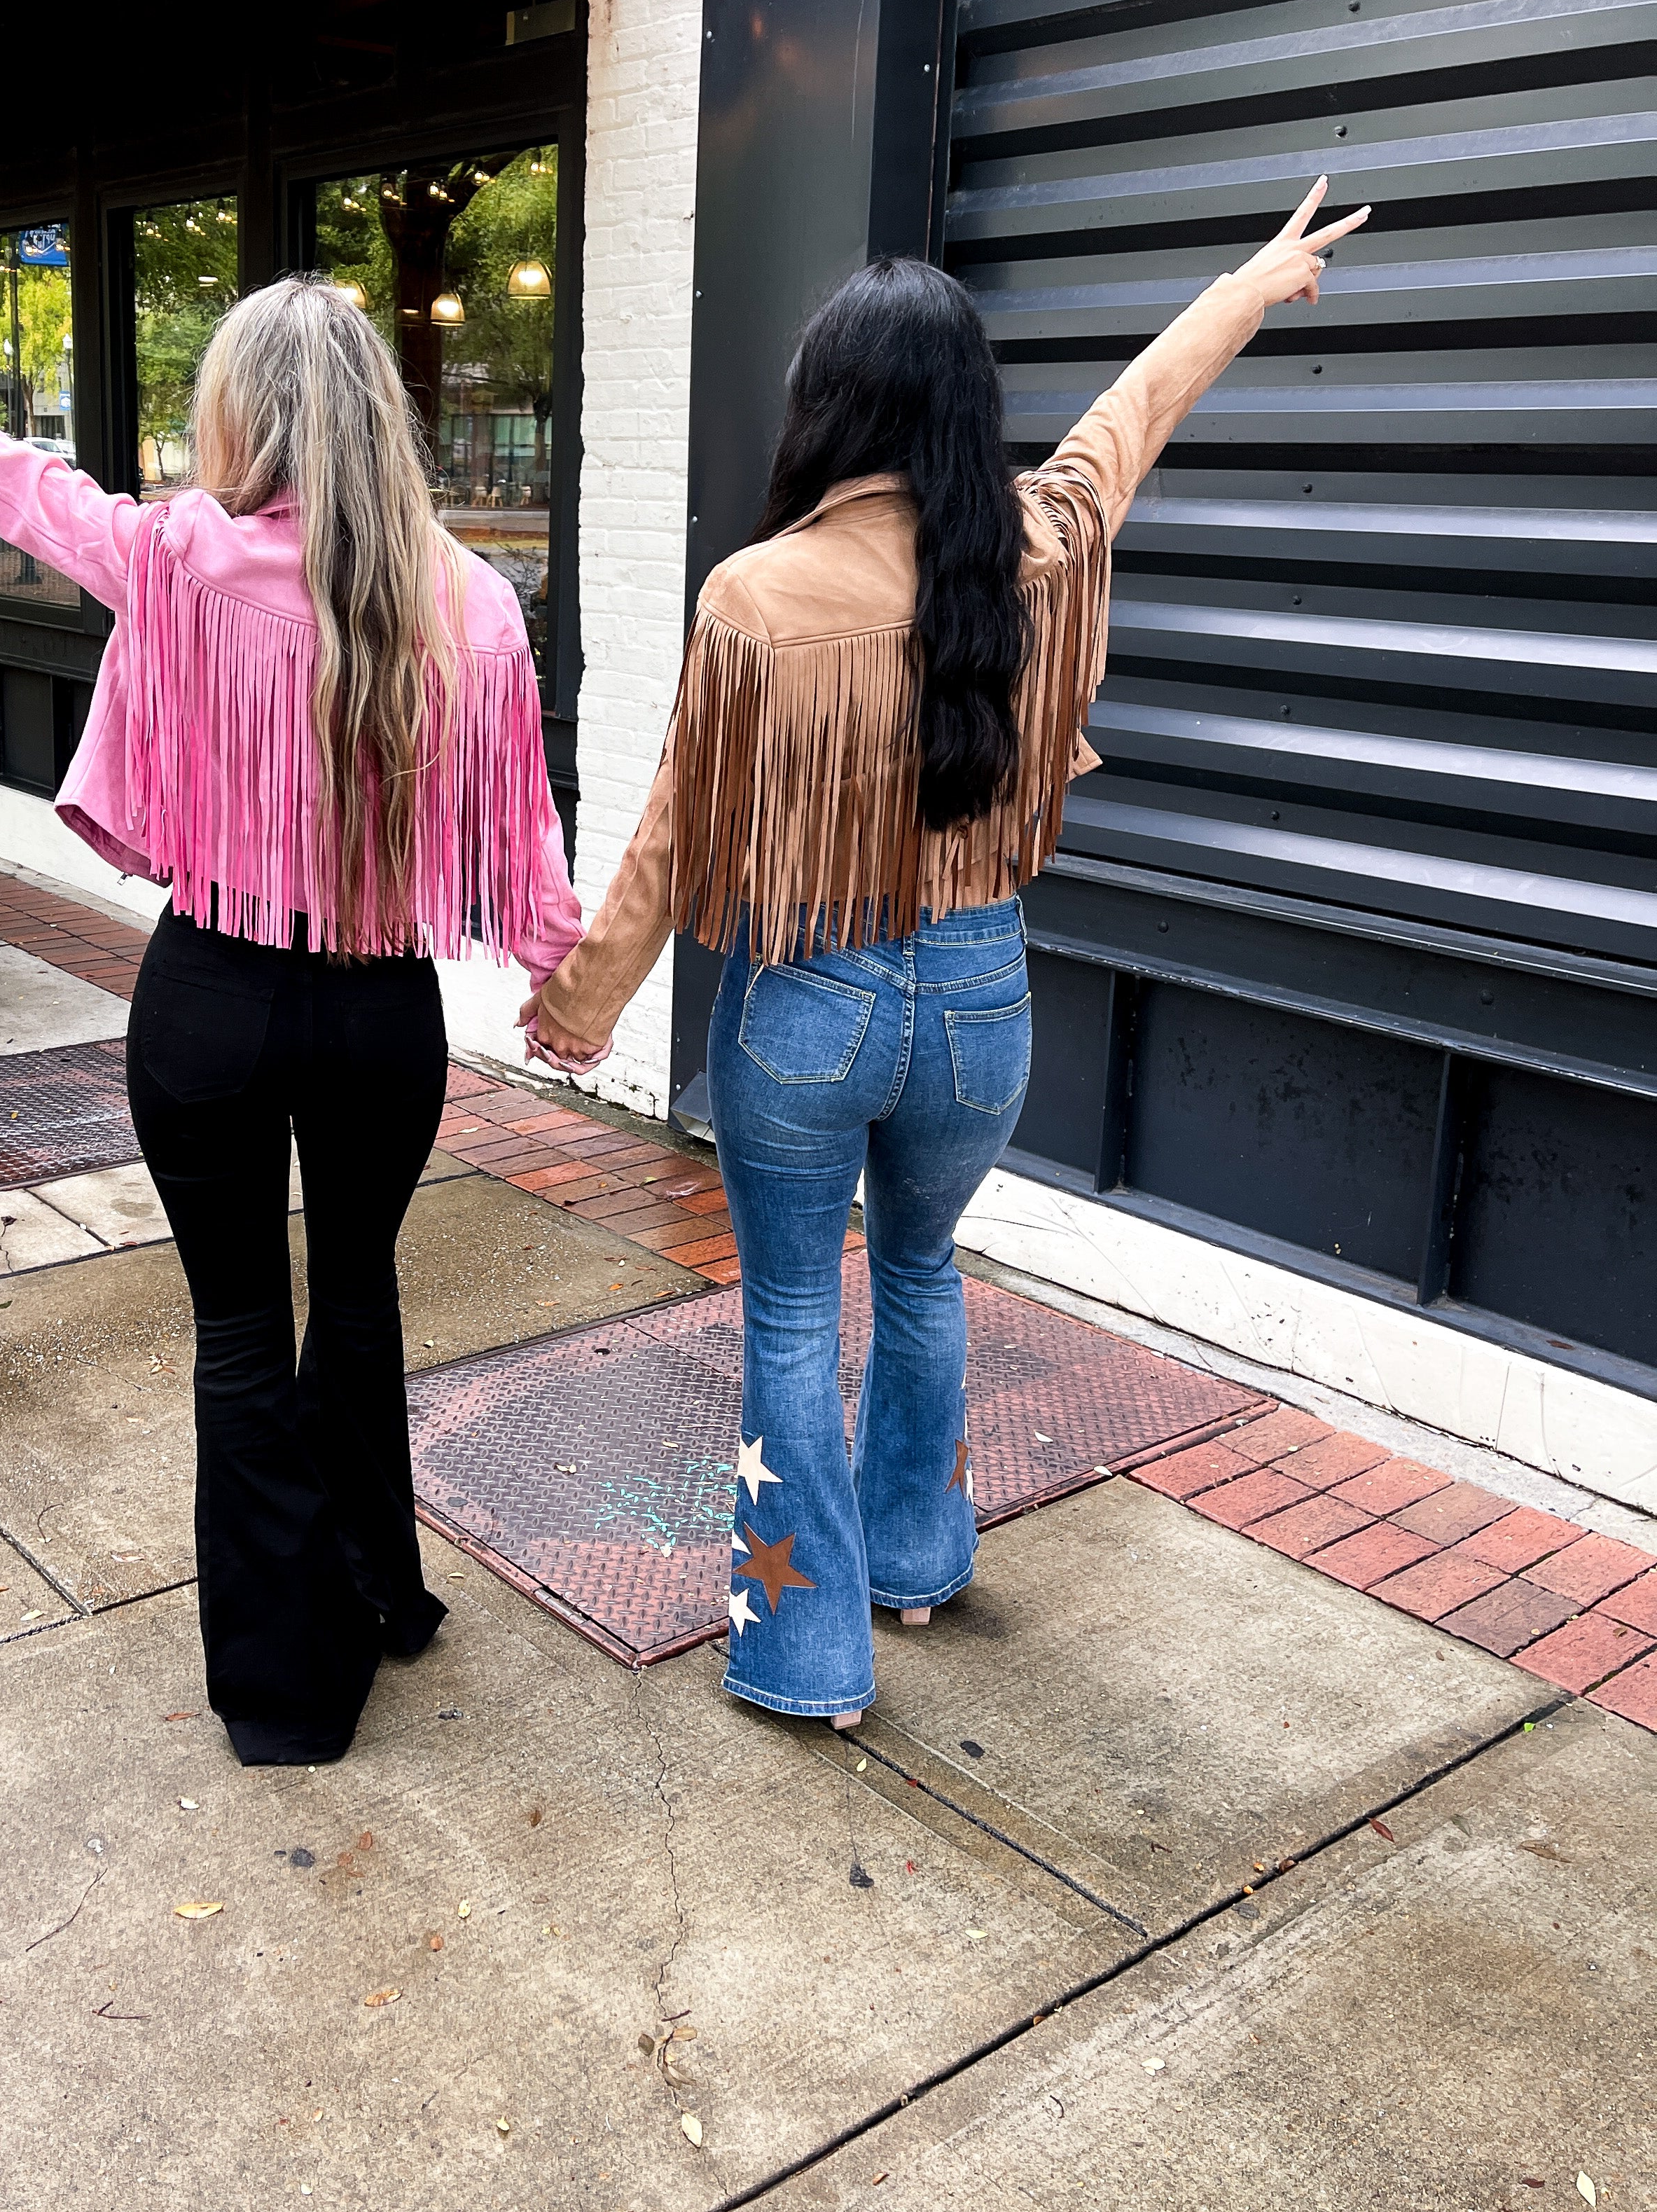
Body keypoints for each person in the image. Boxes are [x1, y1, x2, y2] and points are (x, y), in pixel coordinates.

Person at [0, 194, 581, 1767]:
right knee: (356, 1298)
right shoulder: (475, 607)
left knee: (237, 1332)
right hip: (376, 1018)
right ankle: (378, 1592)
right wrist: (562, 982)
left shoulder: (175, 557)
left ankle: (284, 1696)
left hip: (209, 999)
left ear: (244, 418)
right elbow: (526, 845)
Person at [521, 184, 1368, 1732]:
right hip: (987, 1004)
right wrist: (1250, 284)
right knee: (920, 1270)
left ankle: (805, 1655)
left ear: (829, 408)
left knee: (788, 1318)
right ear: (969, 407)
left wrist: (583, 1004)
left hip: (811, 1009)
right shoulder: (1038, 551)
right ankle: (919, 1560)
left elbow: (671, 832)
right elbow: (1131, 419)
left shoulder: (756, 597)